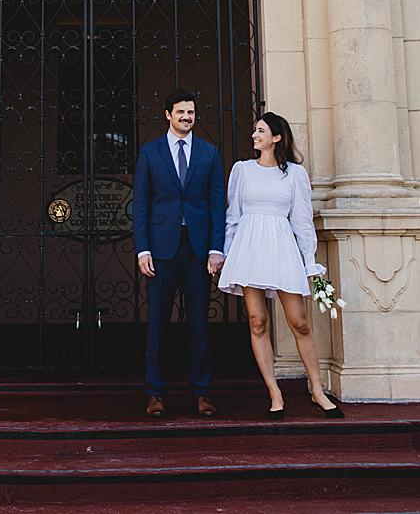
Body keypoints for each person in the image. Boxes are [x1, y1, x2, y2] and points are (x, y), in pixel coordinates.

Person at [218, 112, 344, 419]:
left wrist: (309, 262)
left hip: (282, 246)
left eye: (260, 131)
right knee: (257, 321)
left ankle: (316, 389)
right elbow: (233, 215)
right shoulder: (242, 170)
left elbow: (301, 220)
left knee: (299, 321)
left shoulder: (295, 174)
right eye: (255, 130)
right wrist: (227, 253)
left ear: (276, 137)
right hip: (249, 248)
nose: (254, 135)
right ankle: (274, 393)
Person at [129, 89, 229, 418]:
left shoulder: (210, 153)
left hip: (198, 248)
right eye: (181, 112)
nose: (187, 117)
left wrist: (217, 248)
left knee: (199, 322)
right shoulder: (150, 152)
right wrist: (142, 248)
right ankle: (155, 392)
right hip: (160, 248)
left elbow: (217, 204)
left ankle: (202, 392)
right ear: (167, 115)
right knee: (158, 321)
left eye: (191, 113)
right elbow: (141, 205)